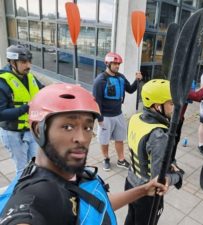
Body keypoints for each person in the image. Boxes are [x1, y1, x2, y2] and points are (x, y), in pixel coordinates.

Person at [0, 83, 168, 225]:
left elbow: (96, 204)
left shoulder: (70, 171)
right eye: (68, 126)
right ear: (38, 130)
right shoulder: (35, 198)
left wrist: (143, 190)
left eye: (88, 127)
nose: (82, 138)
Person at [124, 79, 183, 225]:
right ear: (157, 106)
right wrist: (177, 176)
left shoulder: (135, 118)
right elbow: (158, 181)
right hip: (146, 194)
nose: (175, 108)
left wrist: (169, 161)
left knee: (131, 218)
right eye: (171, 103)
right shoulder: (159, 136)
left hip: (130, 182)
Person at [93, 52, 142, 171]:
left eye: (118, 64)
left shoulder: (120, 77)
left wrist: (137, 80)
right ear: (107, 63)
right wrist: (99, 119)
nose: (117, 66)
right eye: (115, 63)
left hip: (119, 114)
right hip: (105, 117)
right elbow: (96, 101)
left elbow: (130, 90)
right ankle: (106, 158)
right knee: (104, 140)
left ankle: (121, 160)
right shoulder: (100, 80)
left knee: (120, 138)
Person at [0, 45, 44, 177]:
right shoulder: (2, 82)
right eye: (24, 62)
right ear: (13, 63)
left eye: (29, 61)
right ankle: (21, 195)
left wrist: (62, 90)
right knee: (22, 170)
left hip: (30, 129)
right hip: (13, 134)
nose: (28, 65)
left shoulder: (29, 76)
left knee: (36, 164)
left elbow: (44, 90)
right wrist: (26, 107)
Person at [171, 79, 203, 173]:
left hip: (179, 120)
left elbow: (193, 97)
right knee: (171, 144)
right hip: (172, 121)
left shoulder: (185, 83)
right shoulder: (179, 84)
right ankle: (169, 165)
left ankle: (172, 163)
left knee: (175, 143)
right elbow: (195, 95)